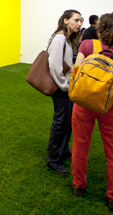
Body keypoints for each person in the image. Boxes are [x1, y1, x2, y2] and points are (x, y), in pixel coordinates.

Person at [71, 12, 113, 213]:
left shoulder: (87, 45)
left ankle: (78, 185)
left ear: (100, 29)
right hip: (109, 107)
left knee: (80, 146)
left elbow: (76, 70)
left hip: (83, 104)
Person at [46, 10, 83, 176]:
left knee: (67, 122)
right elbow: (54, 66)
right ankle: (54, 160)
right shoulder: (60, 38)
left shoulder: (66, 39)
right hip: (62, 89)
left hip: (66, 88)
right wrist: (65, 86)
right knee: (61, 123)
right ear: (66, 20)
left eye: (81, 21)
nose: (79, 24)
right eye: (76, 20)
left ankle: (63, 150)